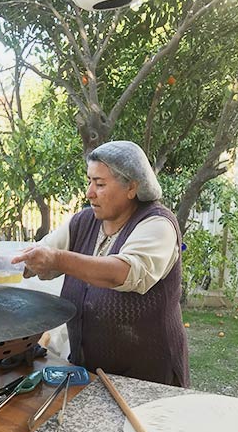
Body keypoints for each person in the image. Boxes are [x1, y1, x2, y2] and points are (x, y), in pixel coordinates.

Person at [11, 140, 190, 387]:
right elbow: (39, 252)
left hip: (147, 382)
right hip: (89, 377)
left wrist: (58, 259)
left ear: (132, 188)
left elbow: (122, 273)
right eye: (89, 181)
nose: (89, 192)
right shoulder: (83, 222)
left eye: (100, 184)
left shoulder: (157, 225)